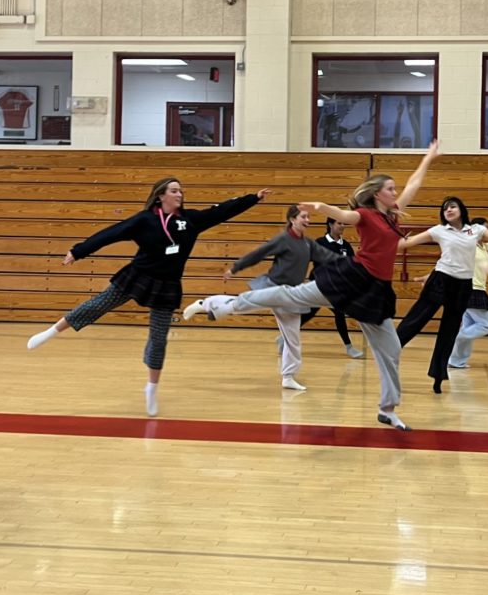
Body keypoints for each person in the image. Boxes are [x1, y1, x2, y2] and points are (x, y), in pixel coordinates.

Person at [183, 142, 441, 431]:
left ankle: (387, 409)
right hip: (350, 279)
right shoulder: (365, 216)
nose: (396, 193)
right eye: (391, 189)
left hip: (375, 291)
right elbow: (344, 215)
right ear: (377, 193)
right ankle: (224, 305)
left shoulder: (392, 217)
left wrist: (428, 159)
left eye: (395, 189)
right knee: (288, 296)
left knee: (392, 348)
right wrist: (320, 207)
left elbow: (414, 186)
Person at [26, 178, 271, 417]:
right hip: (138, 275)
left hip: (167, 285)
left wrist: (253, 198)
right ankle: (51, 332)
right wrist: (79, 251)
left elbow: (222, 211)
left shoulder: (190, 220)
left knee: (158, 338)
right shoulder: (145, 220)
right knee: (99, 305)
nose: (179, 195)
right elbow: (111, 233)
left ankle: (151, 389)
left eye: (180, 191)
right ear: (161, 196)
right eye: (174, 191)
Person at [397, 200, 488, 392]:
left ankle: (438, 376)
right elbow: (404, 245)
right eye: (445, 208)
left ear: (461, 210)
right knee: (417, 318)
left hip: (463, 285)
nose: (448, 210)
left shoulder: (476, 231)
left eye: (452, 206)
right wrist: (392, 236)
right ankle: (390, 347)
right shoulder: (439, 230)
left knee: (449, 330)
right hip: (440, 279)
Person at [225, 205, 336, 391]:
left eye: (308, 217)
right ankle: (206, 305)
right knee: (239, 306)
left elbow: (328, 256)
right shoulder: (283, 239)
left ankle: (288, 377)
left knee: (292, 338)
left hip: (291, 295)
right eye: (303, 217)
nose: (308, 220)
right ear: (293, 219)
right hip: (271, 288)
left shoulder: (308, 244)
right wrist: (235, 268)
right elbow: (258, 254)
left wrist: (353, 263)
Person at [299, 219, 362, 359]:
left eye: (344, 224)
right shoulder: (319, 243)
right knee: (314, 314)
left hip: (335, 289)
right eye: (339, 223)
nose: (342, 226)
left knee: (331, 313)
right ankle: (349, 347)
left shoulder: (345, 246)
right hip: (318, 286)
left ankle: (284, 338)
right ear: (330, 225)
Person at [447, 217, 488, 371]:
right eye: (485, 229)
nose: (487, 232)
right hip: (469, 289)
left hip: (478, 289)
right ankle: (455, 338)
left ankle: (456, 361)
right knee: (486, 325)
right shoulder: (467, 245)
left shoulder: (485, 246)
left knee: (469, 326)